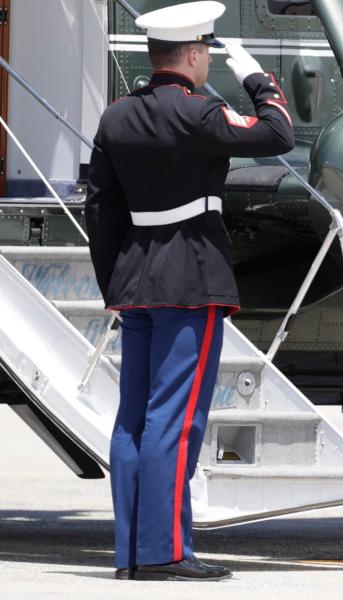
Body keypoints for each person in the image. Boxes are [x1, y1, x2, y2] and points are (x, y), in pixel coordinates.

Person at [85, 1, 294, 581]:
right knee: (173, 421)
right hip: (190, 278)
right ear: (197, 54)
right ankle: (165, 552)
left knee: (133, 420)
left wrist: (114, 282)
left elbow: (100, 210)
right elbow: (278, 132)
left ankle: (131, 552)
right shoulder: (200, 114)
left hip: (136, 281)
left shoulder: (117, 117)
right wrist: (256, 79)